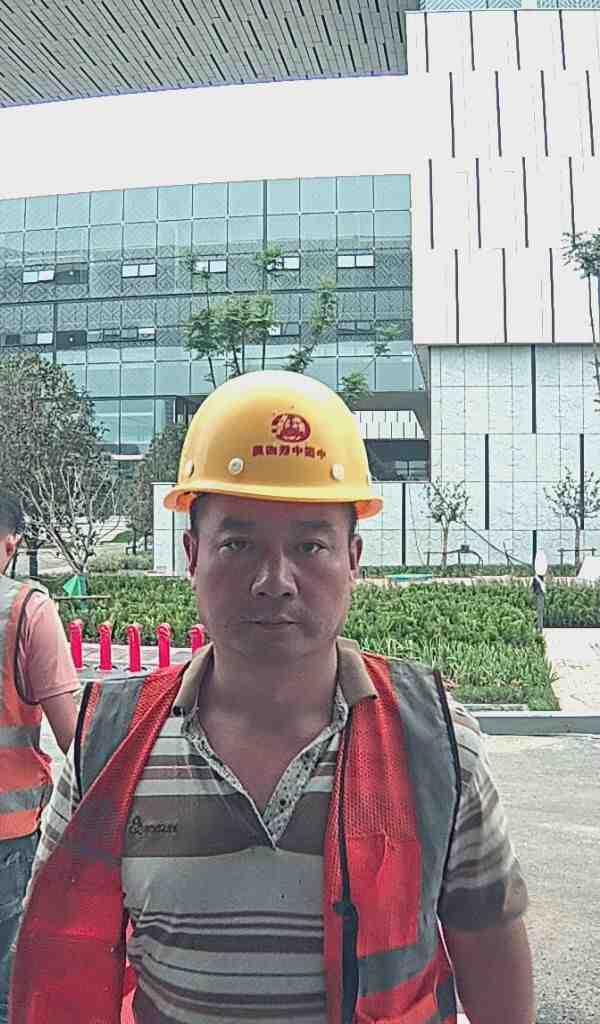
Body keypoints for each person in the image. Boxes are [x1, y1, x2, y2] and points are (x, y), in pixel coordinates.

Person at [11, 372, 534, 1024]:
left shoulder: (436, 742)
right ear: (192, 555)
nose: (274, 581)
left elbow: (491, 948)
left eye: (310, 545)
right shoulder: (107, 742)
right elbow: (58, 958)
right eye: (238, 544)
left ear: (353, 559)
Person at [0, 488, 78, 1024]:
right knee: (9, 990)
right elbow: (74, 736)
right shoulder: (26, 609)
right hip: (7, 835)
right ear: (12, 542)